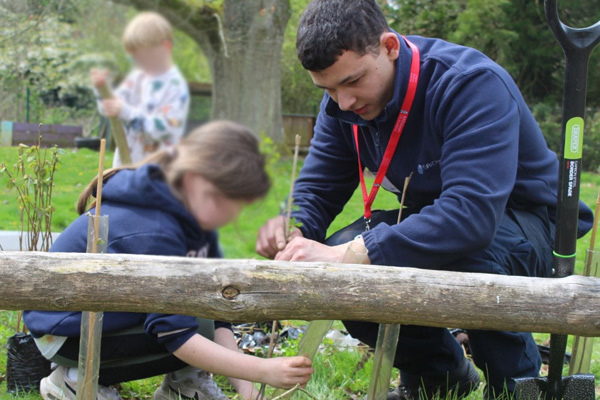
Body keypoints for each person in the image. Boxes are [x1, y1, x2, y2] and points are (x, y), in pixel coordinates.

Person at [255, 1, 594, 399]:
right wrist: (294, 227)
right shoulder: (341, 103)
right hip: (442, 218)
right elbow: (317, 187)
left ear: (389, 46)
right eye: (327, 89)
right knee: (342, 263)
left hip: (529, 220)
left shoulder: (470, 83)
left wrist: (355, 252)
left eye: (352, 82)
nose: (342, 102)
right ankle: (443, 378)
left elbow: (469, 217)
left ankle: (514, 386)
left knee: (461, 259)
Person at [25, 121, 314, 400]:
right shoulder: (156, 228)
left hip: (108, 319)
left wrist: (249, 390)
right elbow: (176, 333)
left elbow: (217, 315)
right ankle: (74, 381)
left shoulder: (196, 221)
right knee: (190, 322)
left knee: (203, 307)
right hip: (63, 334)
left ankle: (185, 386)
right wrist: (263, 370)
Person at [91, 11, 190, 167]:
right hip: (125, 169)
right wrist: (103, 91)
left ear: (165, 49)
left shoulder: (175, 86)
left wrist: (126, 111)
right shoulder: (138, 79)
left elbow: (163, 129)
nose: (138, 61)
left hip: (157, 174)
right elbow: (112, 110)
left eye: (143, 55)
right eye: (134, 56)